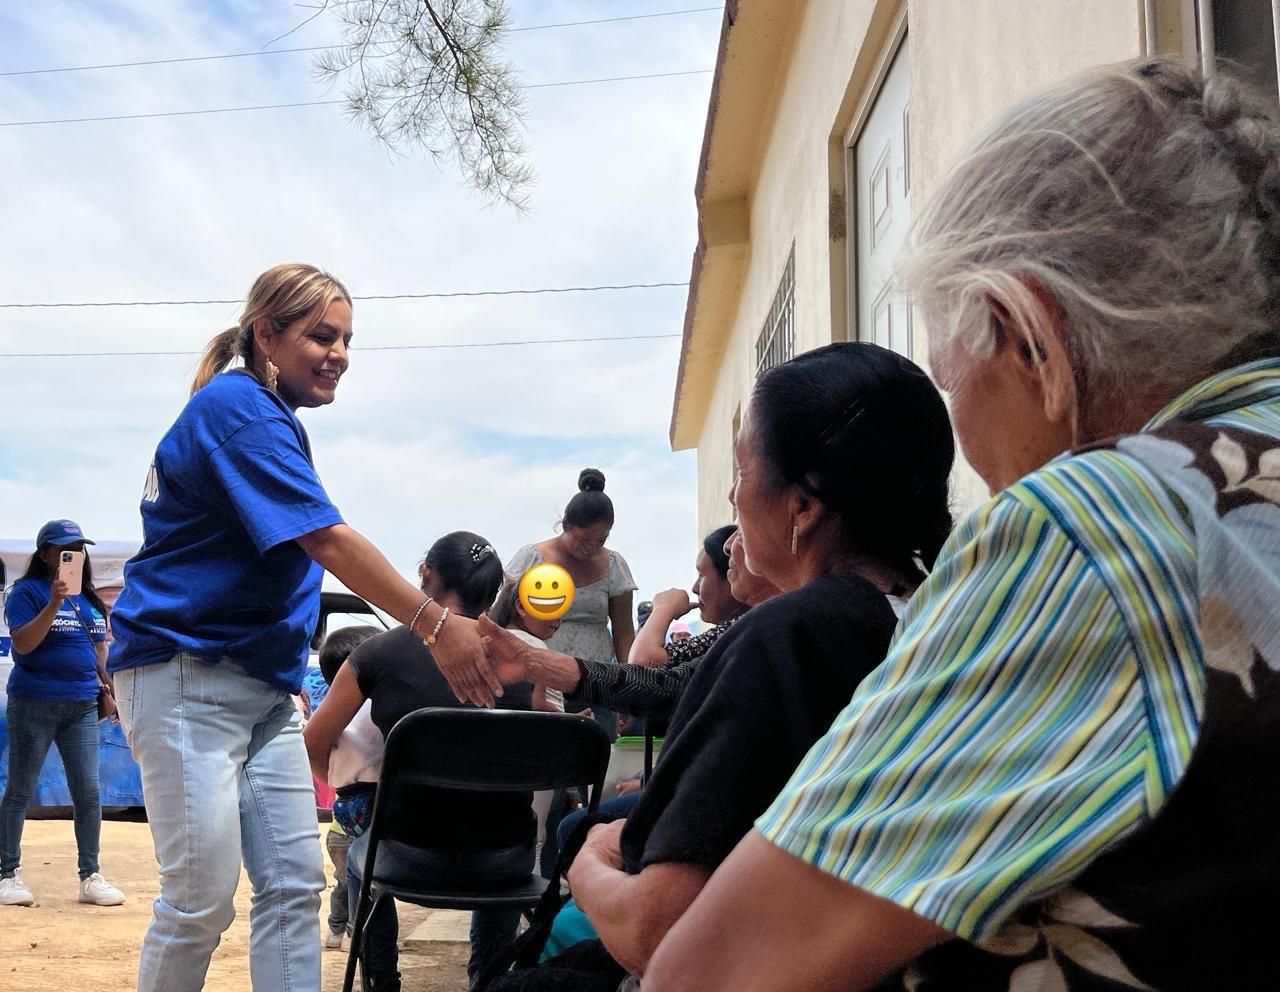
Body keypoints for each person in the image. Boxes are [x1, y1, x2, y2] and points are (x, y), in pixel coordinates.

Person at [644, 59, 1280, 992]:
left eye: (952, 378)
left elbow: (708, 972)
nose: (970, 453)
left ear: (1028, 332)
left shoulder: (1099, 530)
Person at [488, 342, 956, 989]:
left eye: (743, 470)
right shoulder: (944, 625)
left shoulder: (789, 639)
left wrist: (588, 862)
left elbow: (653, 932)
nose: (734, 496)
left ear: (803, 507)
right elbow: (654, 681)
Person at [107, 264, 497, 992]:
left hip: (264, 692)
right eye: (321, 335)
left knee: (293, 886)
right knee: (199, 899)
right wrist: (436, 622)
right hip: (185, 673)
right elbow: (326, 538)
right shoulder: (239, 409)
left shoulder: (264, 415)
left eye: (347, 338)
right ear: (266, 335)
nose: (339, 352)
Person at [304, 532, 522, 992]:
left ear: (426, 574)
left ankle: (383, 982)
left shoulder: (377, 654)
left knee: (362, 851)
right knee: (504, 824)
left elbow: (314, 744)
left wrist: (355, 783)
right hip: (506, 860)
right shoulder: (524, 657)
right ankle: (490, 979)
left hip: (404, 853)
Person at [0, 520, 125, 908]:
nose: (74, 555)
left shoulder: (86, 598)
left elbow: (98, 648)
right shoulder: (26, 593)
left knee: (88, 793)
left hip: (82, 705)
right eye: (64, 549)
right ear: (45, 554)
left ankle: (91, 876)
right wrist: (53, 602)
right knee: (20, 789)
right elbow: (23, 644)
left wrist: (111, 688)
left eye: (78, 548)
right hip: (35, 702)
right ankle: (7, 873)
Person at [506, 467, 637, 740]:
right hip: (540, 683)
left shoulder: (613, 564)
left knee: (592, 757)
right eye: (585, 538)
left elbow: (624, 630)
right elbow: (504, 615)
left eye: (601, 540)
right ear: (566, 524)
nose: (592, 548)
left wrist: (629, 688)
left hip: (596, 684)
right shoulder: (533, 558)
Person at [310, 625, 381, 951]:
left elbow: (317, 757)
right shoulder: (374, 707)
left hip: (344, 812)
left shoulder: (331, 714)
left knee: (350, 882)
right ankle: (361, 939)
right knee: (372, 887)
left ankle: (346, 937)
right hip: (374, 805)